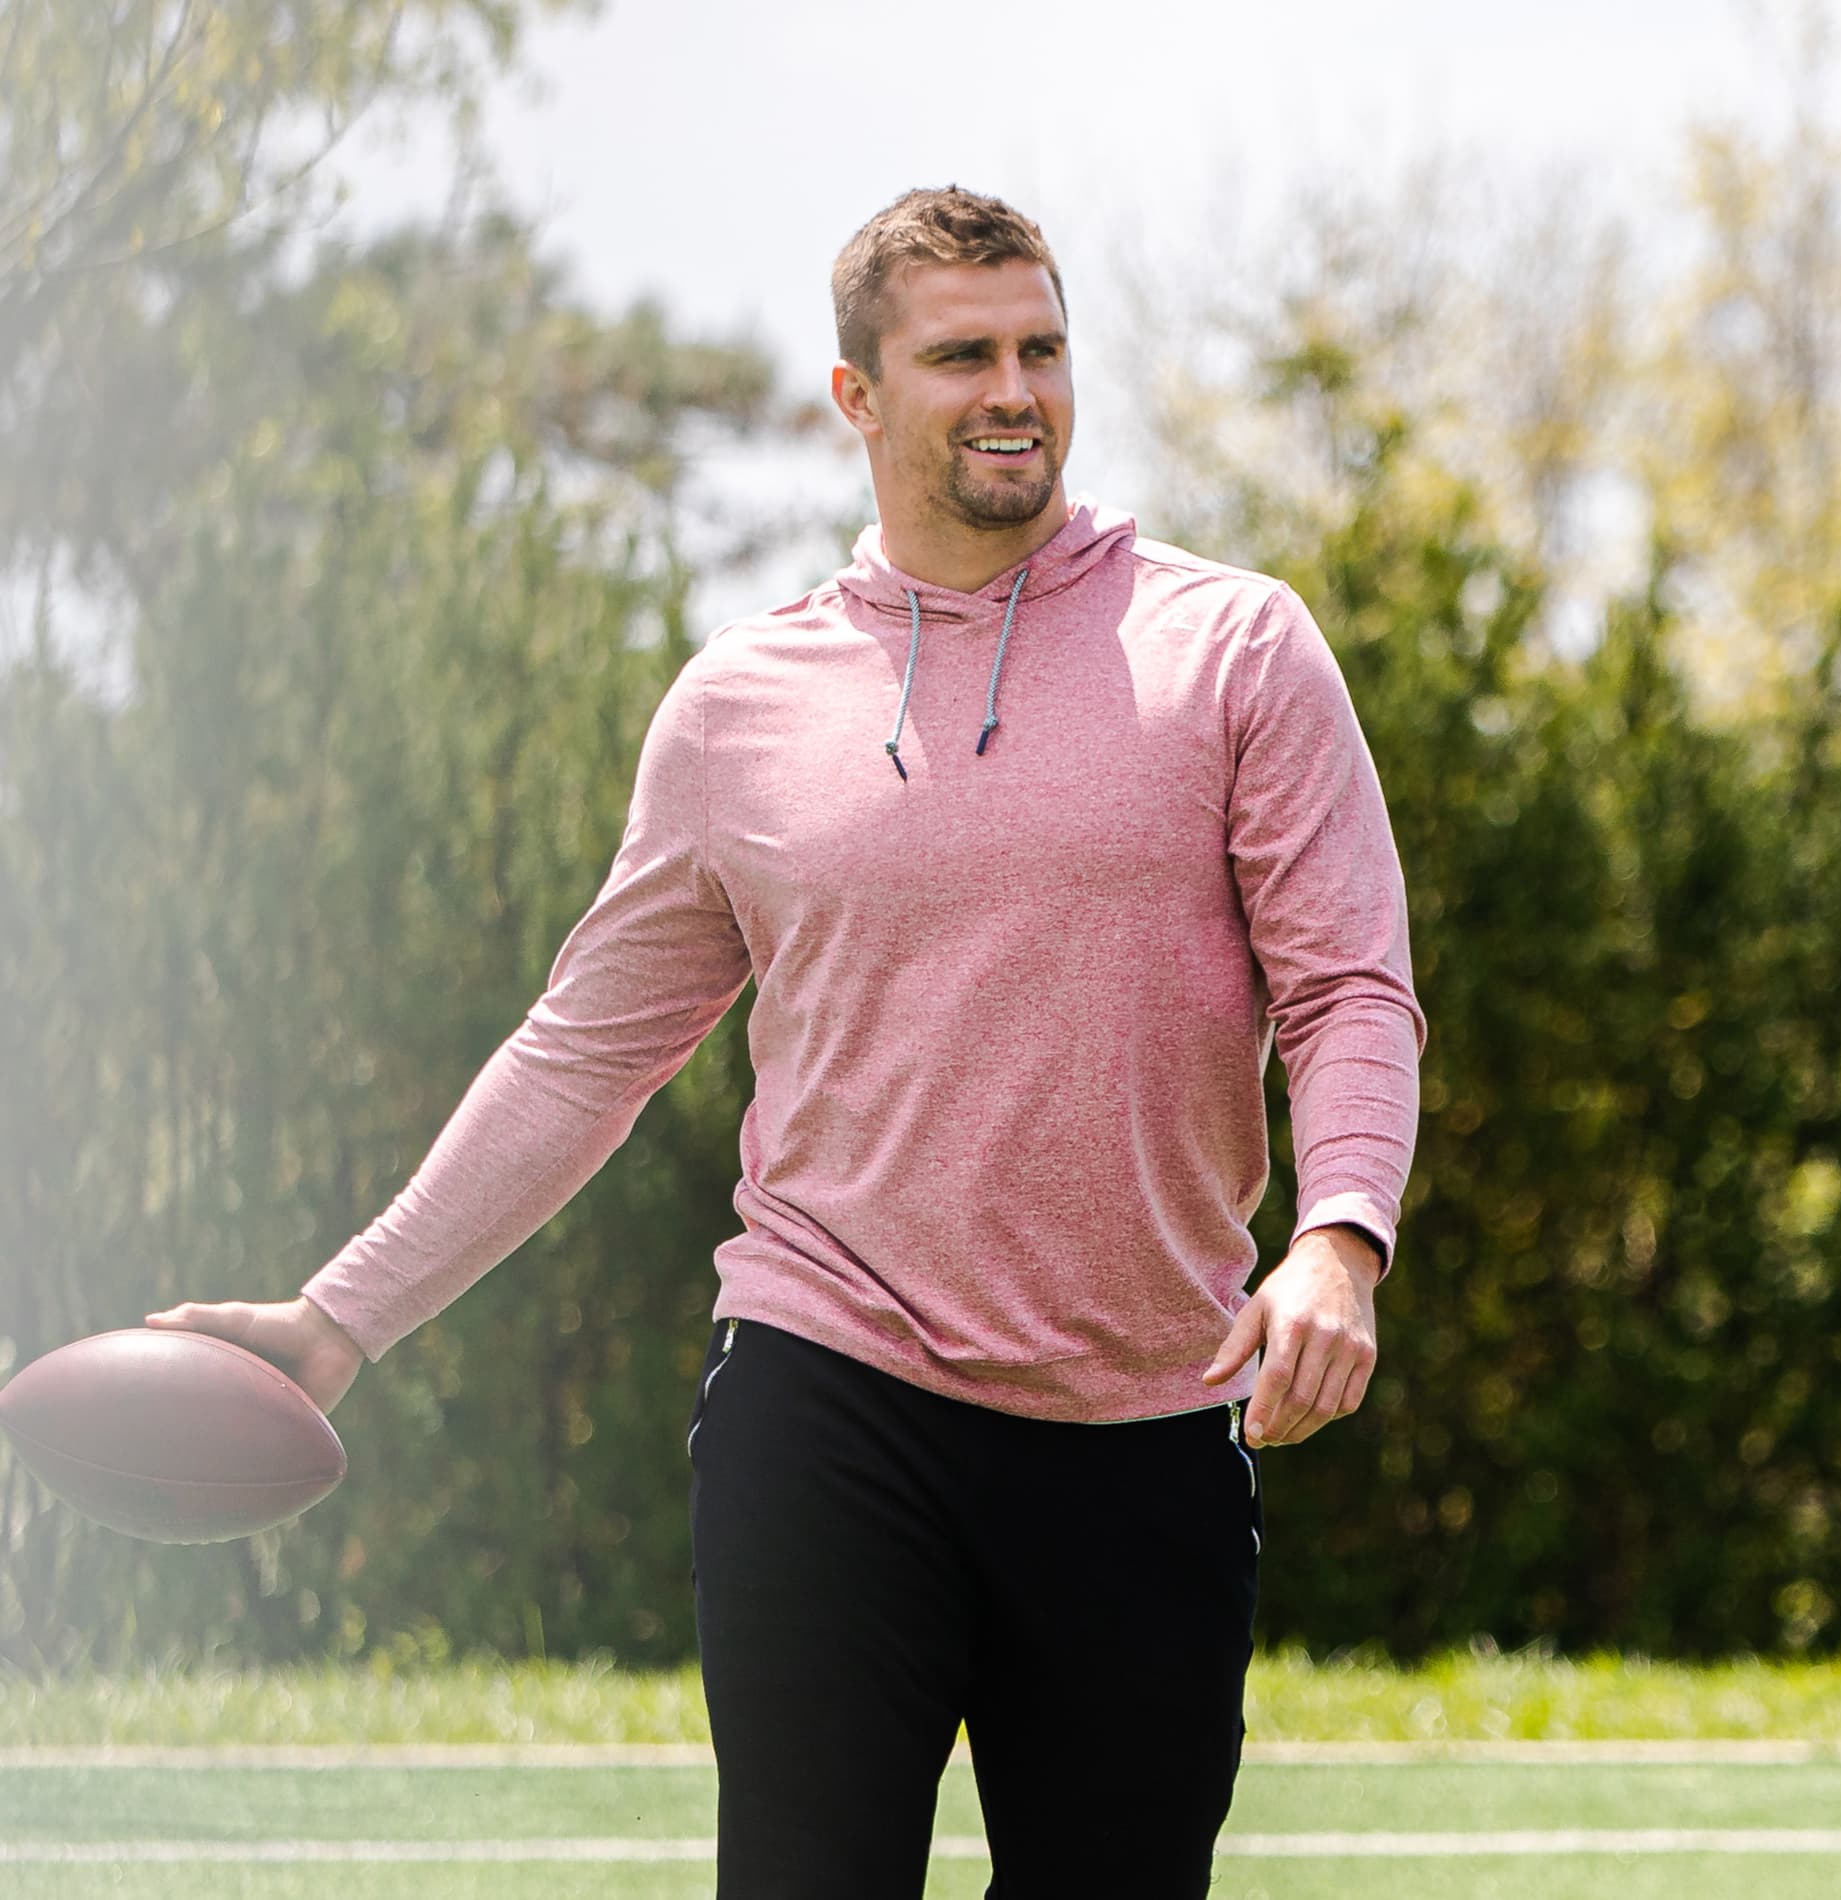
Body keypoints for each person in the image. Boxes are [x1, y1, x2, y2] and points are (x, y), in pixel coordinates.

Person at [149, 185, 1426, 1898]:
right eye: (962, 352)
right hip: (832, 1398)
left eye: (1042, 348)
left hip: (1144, 1414)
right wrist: (339, 1318)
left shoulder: (1235, 646)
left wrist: (1340, 1238)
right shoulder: (742, 708)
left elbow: (1349, 984)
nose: (1014, 389)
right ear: (858, 398)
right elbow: (583, 1054)